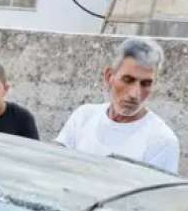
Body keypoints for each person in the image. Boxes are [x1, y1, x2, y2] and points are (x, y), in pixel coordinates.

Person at [56, 37, 179, 173]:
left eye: (145, 84)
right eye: (128, 80)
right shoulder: (83, 117)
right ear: (109, 76)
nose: (134, 94)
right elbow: (55, 169)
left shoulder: (162, 141)